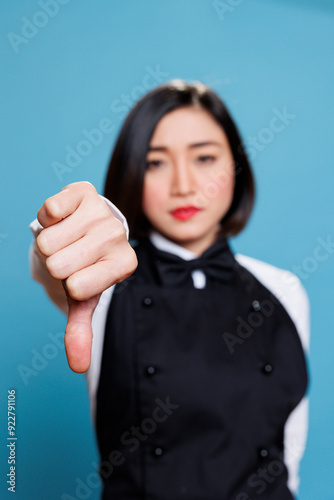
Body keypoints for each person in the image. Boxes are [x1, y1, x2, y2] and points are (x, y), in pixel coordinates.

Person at [30, 80, 310, 500]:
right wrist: (74, 227)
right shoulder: (106, 288)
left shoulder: (284, 289)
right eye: (155, 162)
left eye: (204, 157)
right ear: (131, 173)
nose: (184, 184)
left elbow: (289, 453)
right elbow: (53, 269)